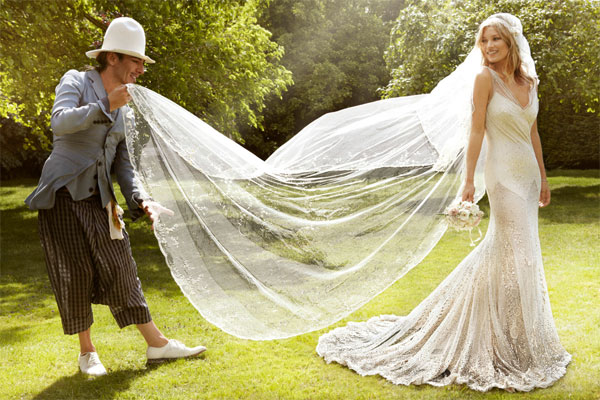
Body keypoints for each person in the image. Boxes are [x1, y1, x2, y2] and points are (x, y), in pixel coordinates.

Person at [316, 14, 571, 392]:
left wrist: (545, 177)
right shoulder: (485, 79)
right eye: (484, 41)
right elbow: (476, 129)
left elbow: (532, 132)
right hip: (501, 177)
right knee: (518, 255)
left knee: (517, 254)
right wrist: (469, 179)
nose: (488, 47)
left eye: (496, 40)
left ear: (512, 42)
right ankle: (507, 342)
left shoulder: (529, 82)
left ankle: (515, 339)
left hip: (529, 176)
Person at [25, 17, 206, 377]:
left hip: (101, 201)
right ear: (112, 58)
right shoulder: (76, 81)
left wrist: (142, 200)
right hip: (62, 194)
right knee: (75, 271)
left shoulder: (123, 107)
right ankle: (87, 354)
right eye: (136, 61)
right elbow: (58, 122)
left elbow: (123, 164)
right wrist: (105, 103)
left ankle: (157, 345)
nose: (141, 68)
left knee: (122, 266)